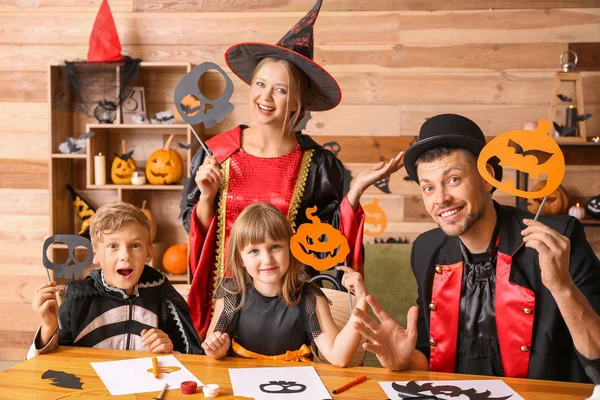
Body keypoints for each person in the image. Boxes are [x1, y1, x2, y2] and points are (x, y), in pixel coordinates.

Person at [180, 0, 402, 337]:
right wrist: (208, 197)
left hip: (284, 310)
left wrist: (354, 194)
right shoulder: (217, 153)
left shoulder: (319, 166)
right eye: (260, 84)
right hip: (221, 302)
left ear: (297, 102)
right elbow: (194, 226)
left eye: (280, 90)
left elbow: (327, 242)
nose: (266, 96)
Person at [352, 114, 600, 382]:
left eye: (454, 179)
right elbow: (432, 354)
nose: (441, 198)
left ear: (486, 179)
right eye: (428, 188)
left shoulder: (558, 237)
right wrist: (406, 359)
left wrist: (562, 287)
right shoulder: (426, 249)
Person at [200, 203, 368, 367]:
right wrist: (216, 350)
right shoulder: (231, 293)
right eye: (254, 251)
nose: (267, 259)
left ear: (291, 247)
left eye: (275, 247)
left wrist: (361, 300)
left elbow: (339, 357)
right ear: (240, 259)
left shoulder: (310, 298)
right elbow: (212, 349)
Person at [28, 202, 202, 358]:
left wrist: (169, 352)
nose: (125, 256)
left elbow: (193, 360)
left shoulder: (165, 299)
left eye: (135, 245)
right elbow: (46, 367)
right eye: (113, 246)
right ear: (95, 254)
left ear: (149, 252)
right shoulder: (77, 300)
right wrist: (48, 327)